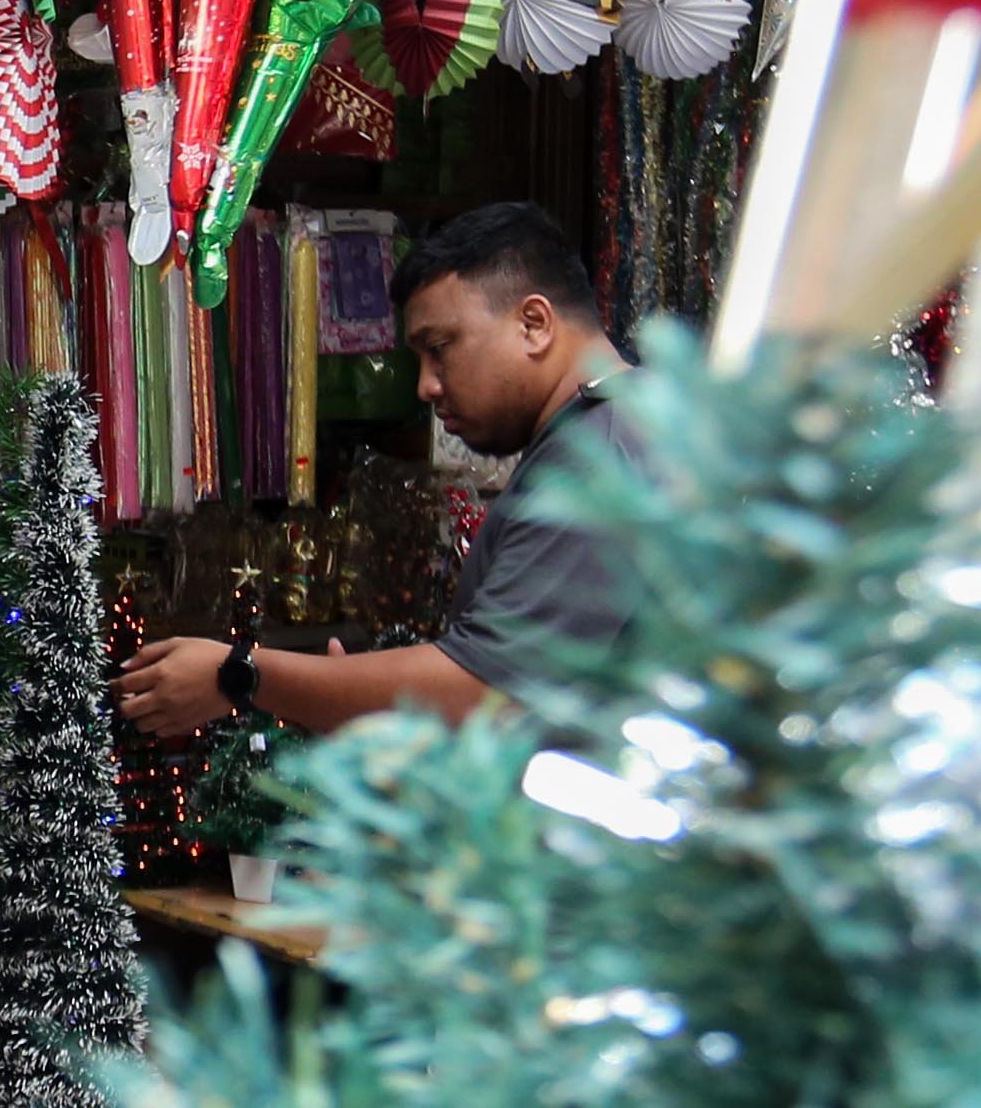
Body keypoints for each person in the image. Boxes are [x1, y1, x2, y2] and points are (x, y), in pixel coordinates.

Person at [120, 200, 644, 740]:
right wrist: (348, 697)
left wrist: (241, 674)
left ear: (533, 324)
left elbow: (483, 689)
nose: (426, 386)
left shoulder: (600, 458)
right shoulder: (615, 432)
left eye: (440, 348)